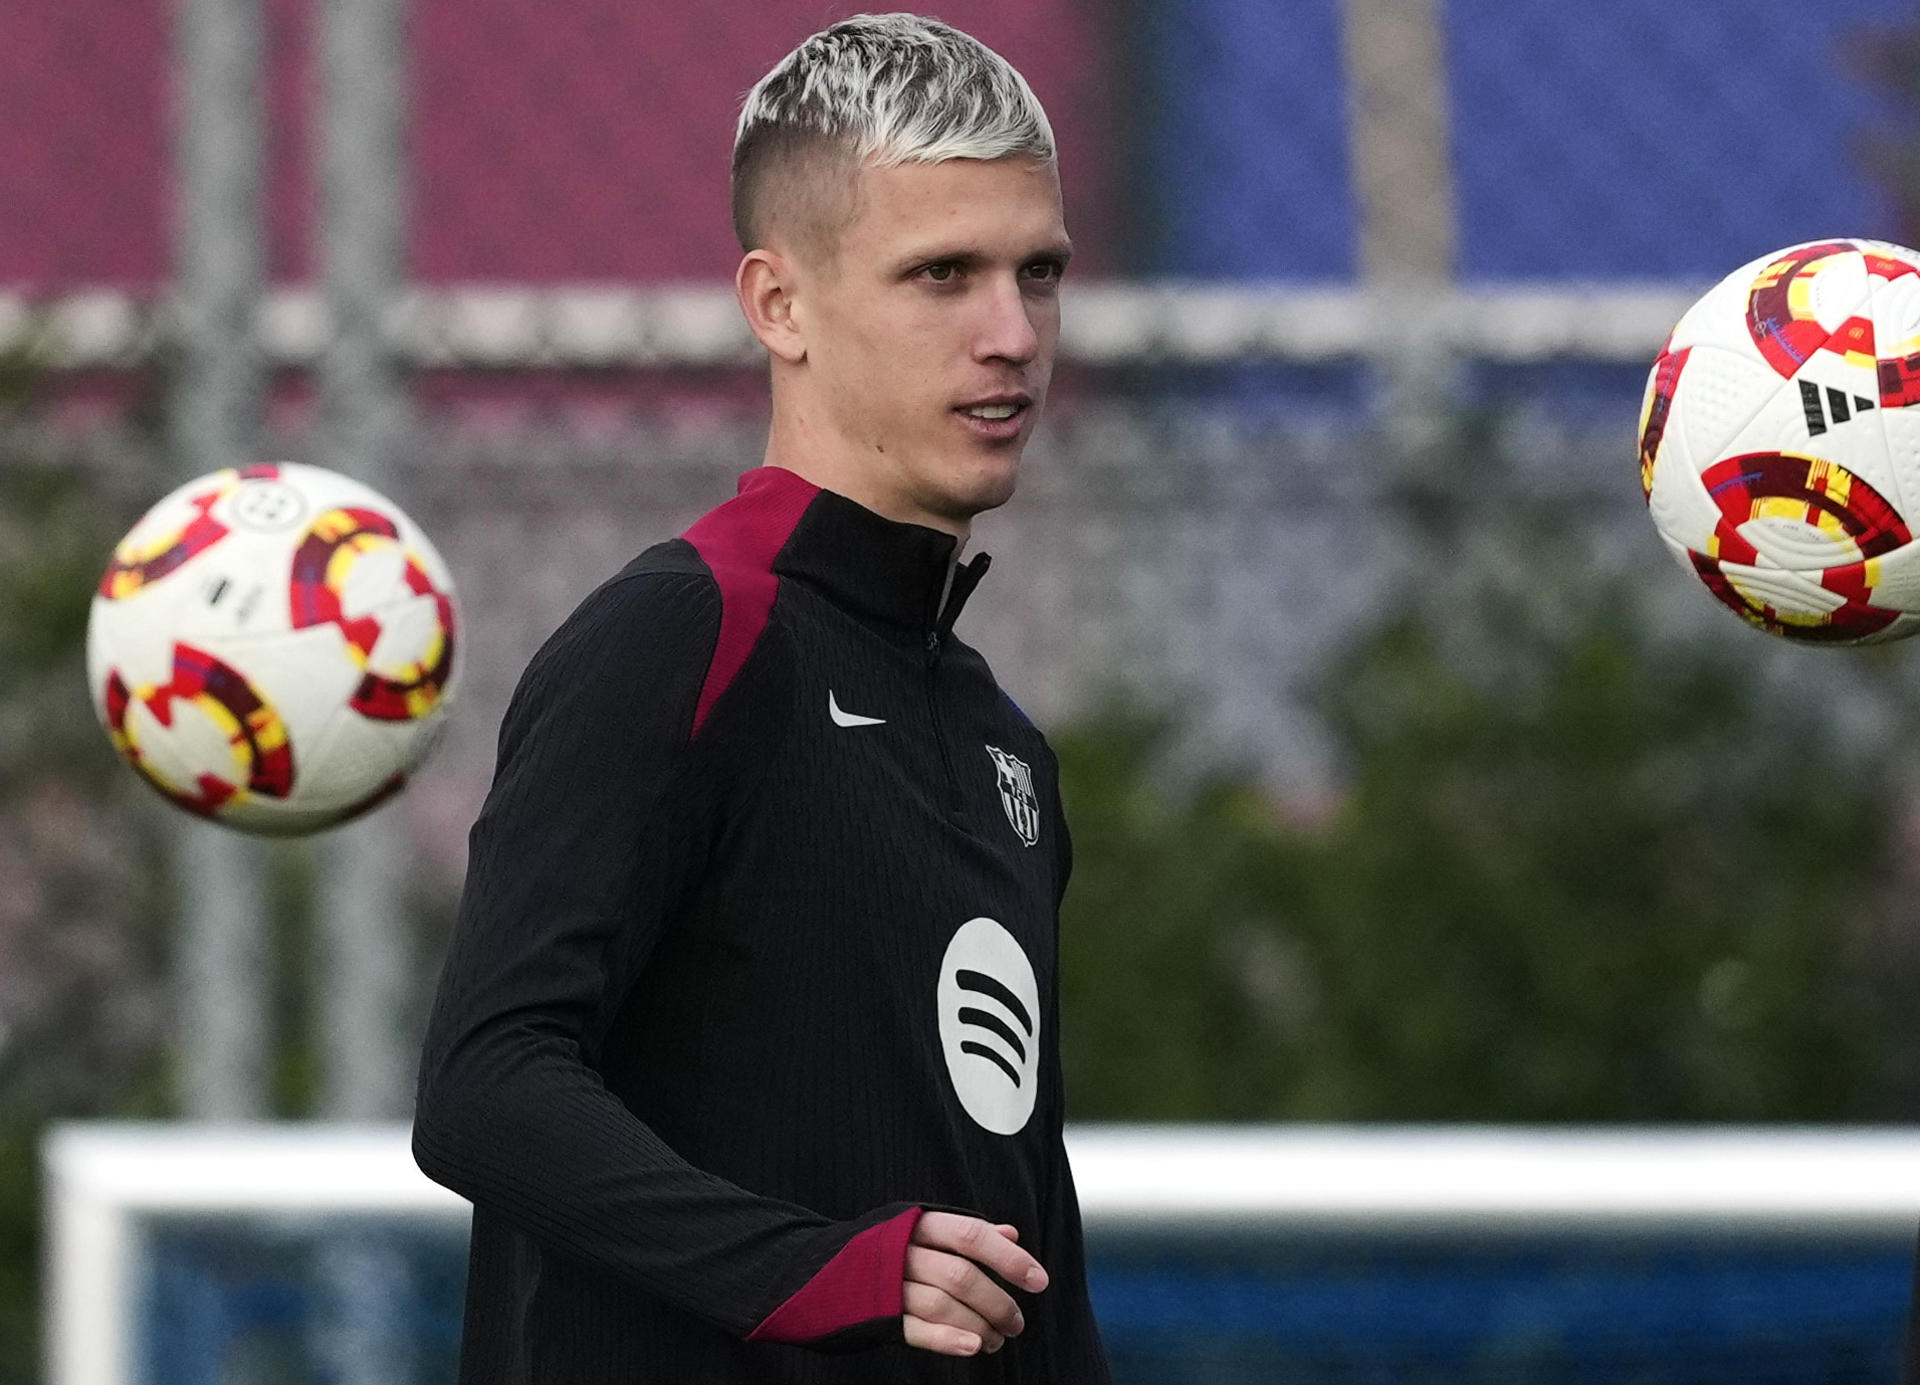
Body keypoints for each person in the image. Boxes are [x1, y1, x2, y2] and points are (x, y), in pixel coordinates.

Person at [411, 13, 1112, 1382]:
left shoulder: (1000, 743)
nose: (1012, 332)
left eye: (1039, 272)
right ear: (778, 304)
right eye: (942, 275)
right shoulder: (684, 634)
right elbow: (486, 1086)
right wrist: (806, 1267)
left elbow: (1029, 1237)